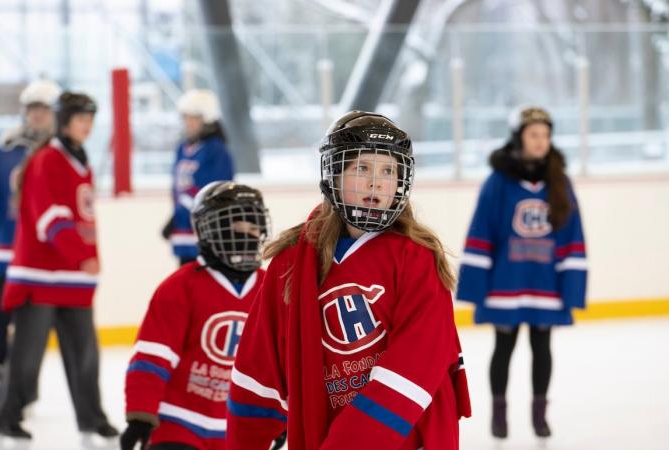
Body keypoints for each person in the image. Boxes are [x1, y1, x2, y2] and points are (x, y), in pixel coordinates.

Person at [226, 111, 471, 450]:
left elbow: (417, 362)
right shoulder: (291, 260)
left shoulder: (416, 256)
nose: (377, 182)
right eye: (362, 168)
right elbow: (258, 361)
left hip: (408, 436)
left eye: (389, 170)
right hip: (325, 430)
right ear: (334, 176)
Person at [0, 92, 118, 445]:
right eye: (81, 119)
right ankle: (6, 418)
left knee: (85, 355)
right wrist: (81, 254)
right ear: (64, 121)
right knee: (26, 358)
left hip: (73, 280)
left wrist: (84, 259)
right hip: (39, 277)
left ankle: (92, 419)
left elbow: (81, 217)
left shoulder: (82, 161)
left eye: (91, 120)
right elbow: (50, 218)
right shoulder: (47, 160)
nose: (87, 126)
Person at [456, 106, 587, 439]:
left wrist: (571, 286)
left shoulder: (560, 181)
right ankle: (499, 416)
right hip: (505, 285)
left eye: (545, 135)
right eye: (534, 135)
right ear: (519, 138)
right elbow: (481, 230)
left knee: (542, 349)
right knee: (504, 349)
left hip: (545, 285)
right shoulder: (498, 182)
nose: (541, 141)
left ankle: (539, 416)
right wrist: (475, 285)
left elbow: (572, 236)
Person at [120, 181, 280, 450]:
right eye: (236, 228)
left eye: (254, 228)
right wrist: (140, 415)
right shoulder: (180, 286)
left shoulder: (272, 288)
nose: (248, 236)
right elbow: (153, 356)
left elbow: (281, 367)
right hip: (177, 424)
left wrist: (278, 420)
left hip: (242, 429)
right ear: (208, 231)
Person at [0, 79, 61, 408]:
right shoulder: (5, 154)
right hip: (6, 257)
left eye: (44, 109)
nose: (37, 115)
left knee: (31, 331)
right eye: (32, 108)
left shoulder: (61, 156)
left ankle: (23, 387)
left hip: (40, 263)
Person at [162, 89, 235, 266]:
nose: (188, 123)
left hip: (207, 230)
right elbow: (178, 187)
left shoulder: (216, 150)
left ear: (207, 119)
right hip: (183, 228)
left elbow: (217, 190)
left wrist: (193, 208)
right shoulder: (182, 148)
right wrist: (176, 216)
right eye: (185, 118)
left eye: (193, 118)